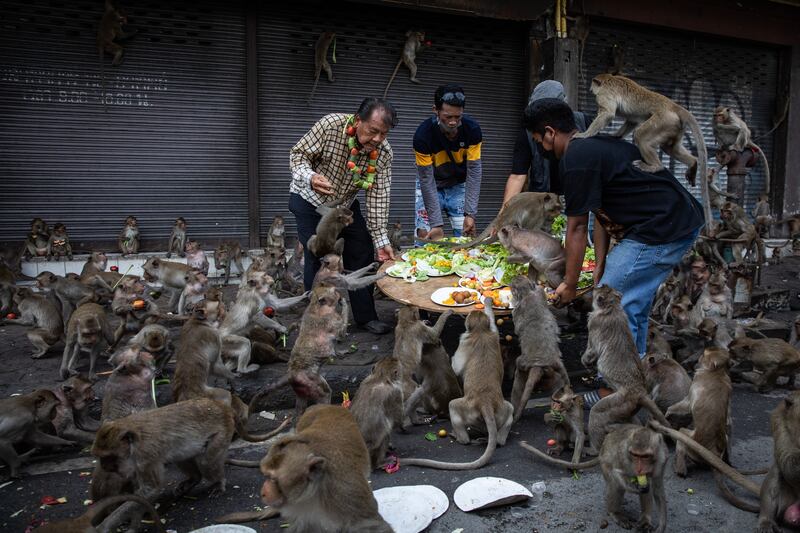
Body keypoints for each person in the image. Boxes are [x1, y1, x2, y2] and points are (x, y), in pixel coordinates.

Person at [523, 98, 704, 360]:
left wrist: (570, 284)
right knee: (632, 304)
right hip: (675, 221)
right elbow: (600, 213)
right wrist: (599, 262)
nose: (540, 146)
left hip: (661, 229)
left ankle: (618, 390)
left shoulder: (575, 158)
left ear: (550, 133)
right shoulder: (592, 148)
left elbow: (576, 228)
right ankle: (636, 375)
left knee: (610, 304)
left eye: (538, 139)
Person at [288, 97, 397, 335]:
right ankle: (318, 322)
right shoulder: (331, 125)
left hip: (343, 205)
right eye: (373, 131)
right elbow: (298, 155)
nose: (377, 139)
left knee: (363, 250)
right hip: (309, 200)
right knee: (319, 257)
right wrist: (310, 177)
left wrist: (381, 240)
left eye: (384, 134)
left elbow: (379, 196)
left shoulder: (384, 153)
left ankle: (366, 317)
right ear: (358, 121)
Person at [413, 84, 483, 240]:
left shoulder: (473, 131)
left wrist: (470, 213)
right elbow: (426, 179)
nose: (453, 122)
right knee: (426, 238)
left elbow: (474, 172)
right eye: (447, 117)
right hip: (431, 184)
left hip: (459, 185)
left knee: (465, 238)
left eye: (457, 117)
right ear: (435, 110)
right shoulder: (422, 136)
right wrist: (436, 224)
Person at [502, 80, 588, 203]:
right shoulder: (528, 132)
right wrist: (503, 216)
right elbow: (517, 176)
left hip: (578, 199)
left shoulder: (582, 122)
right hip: (543, 203)